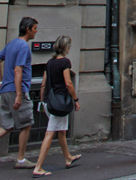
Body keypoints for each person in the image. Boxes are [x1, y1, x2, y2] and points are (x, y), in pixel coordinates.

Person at [32, 36, 81, 177]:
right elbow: (68, 83)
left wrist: (42, 100)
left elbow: (43, 83)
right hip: (60, 102)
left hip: (49, 101)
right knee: (50, 133)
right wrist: (75, 99)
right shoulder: (65, 62)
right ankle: (38, 166)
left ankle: (68, 157)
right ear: (66, 47)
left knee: (61, 132)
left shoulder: (50, 62)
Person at [0, 16, 38, 169]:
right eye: (34, 29)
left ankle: (21, 159)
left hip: (5, 89)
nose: (36, 32)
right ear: (28, 29)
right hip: (18, 89)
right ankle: (21, 159)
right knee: (26, 124)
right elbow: (18, 70)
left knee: (7, 125)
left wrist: (2, 79)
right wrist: (19, 94)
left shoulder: (11, 44)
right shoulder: (23, 46)